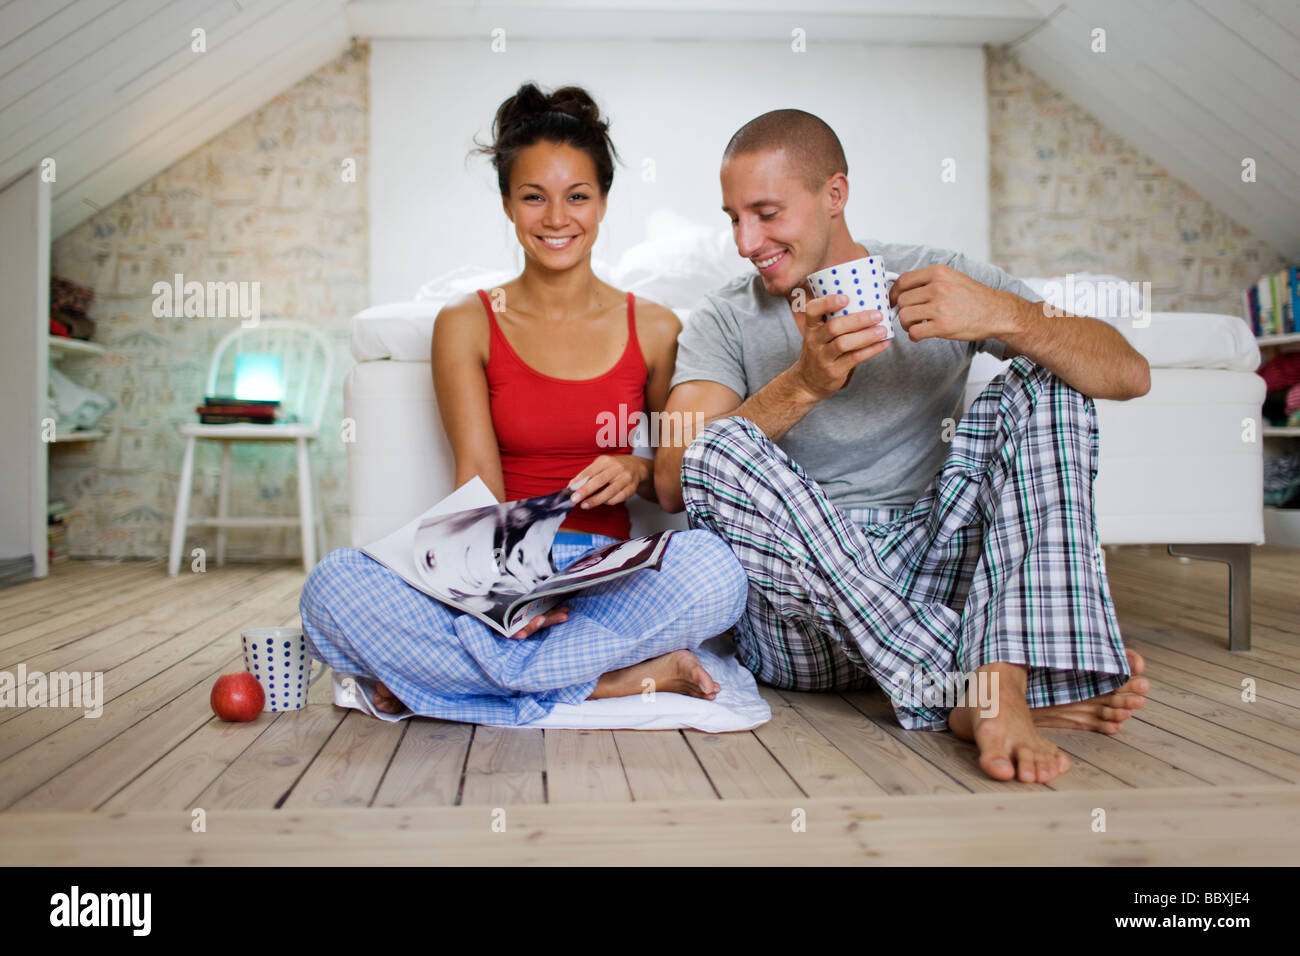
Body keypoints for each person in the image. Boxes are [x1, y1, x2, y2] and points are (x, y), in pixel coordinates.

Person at [654, 108, 1154, 785]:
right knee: (716, 449)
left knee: (1049, 381)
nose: (746, 241)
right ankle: (998, 678)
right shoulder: (725, 316)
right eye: (733, 217)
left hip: (931, 566)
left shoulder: (938, 275)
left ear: (835, 194)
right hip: (803, 615)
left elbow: (1128, 374)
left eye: (766, 213)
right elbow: (674, 477)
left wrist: (1007, 315)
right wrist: (801, 385)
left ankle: (992, 681)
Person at [298, 84, 748, 724]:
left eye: (578, 196)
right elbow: (475, 484)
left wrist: (639, 470)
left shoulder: (654, 327)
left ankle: (458, 683)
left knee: (717, 573)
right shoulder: (467, 322)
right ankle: (607, 682)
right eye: (534, 196)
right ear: (509, 203)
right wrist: (501, 601)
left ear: (604, 202)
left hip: (607, 577)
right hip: (505, 570)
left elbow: (673, 488)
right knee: (333, 587)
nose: (556, 218)